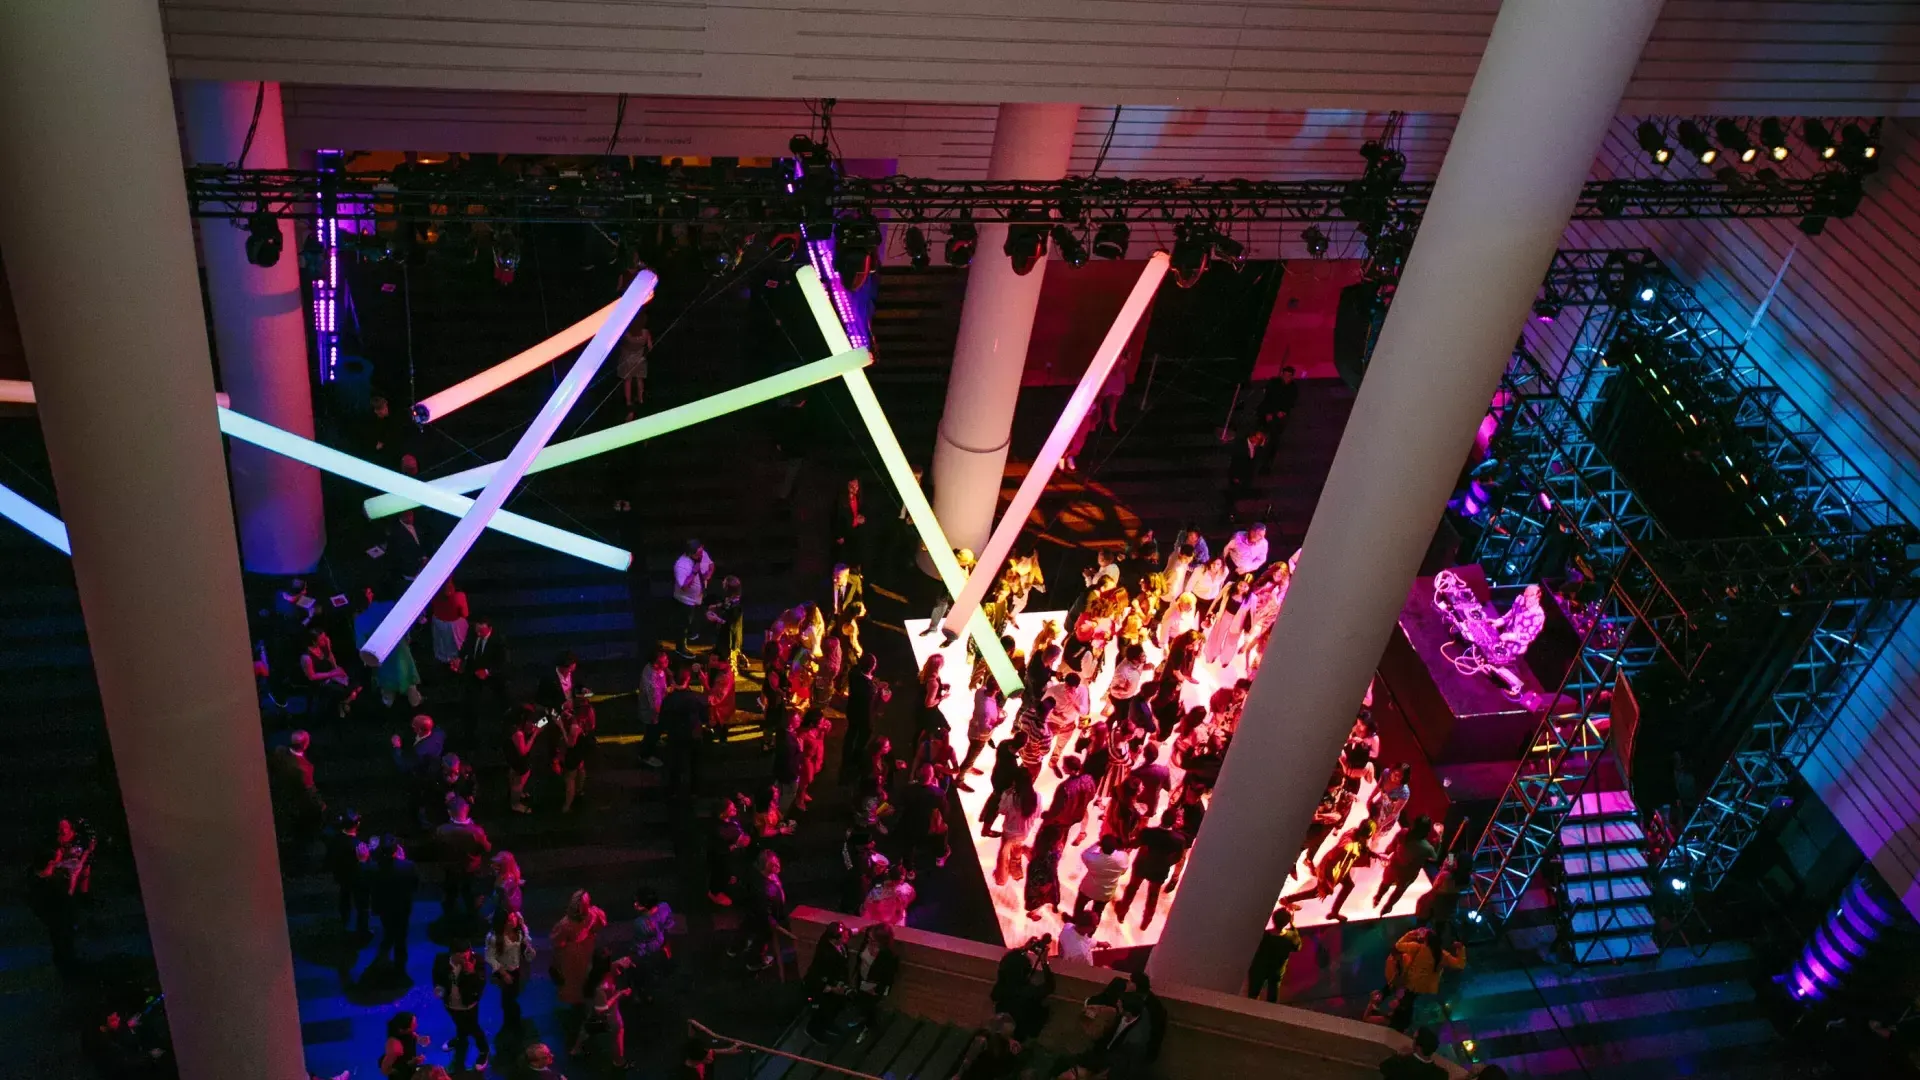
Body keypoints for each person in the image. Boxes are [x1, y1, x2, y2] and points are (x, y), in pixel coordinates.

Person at [1280, 819, 1375, 921]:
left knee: (1349, 885)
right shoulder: (1347, 846)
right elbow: (1330, 861)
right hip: (1333, 871)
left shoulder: (1355, 833)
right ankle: (1286, 899)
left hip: (1342, 868)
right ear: (1369, 834)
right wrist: (1327, 882)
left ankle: (1334, 912)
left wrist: (1370, 853)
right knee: (1316, 892)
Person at [1377, 927, 1466, 1033]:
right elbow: (1460, 965)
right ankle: (1400, 1023)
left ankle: (1397, 1023)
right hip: (1425, 987)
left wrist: (1411, 934)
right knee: (1407, 1002)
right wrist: (1461, 949)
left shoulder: (1417, 947)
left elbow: (1398, 945)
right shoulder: (1442, 955)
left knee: (1405, 1002)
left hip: (1410, 982)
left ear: (1426, 940)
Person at [1115, 809, 1188, 929]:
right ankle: (1145, 923)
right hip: (1160, 870)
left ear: (1161, 818)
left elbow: (1135, 844)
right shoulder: (1179, 840)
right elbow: (1177, 858)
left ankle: (1122, 912)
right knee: (1153, 896)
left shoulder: (1147, 832)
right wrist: (1166, 863)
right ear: (1174, 822)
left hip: (1142, 864)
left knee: (1132, 888)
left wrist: (1124, 841)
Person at [432, 939, 490, 1071]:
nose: (466, 957)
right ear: (453, 954)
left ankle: (483, 1050)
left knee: (474, 1027)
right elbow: (436, 976)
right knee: (459, 1024)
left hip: (469, 1003)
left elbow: (480, 985)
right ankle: (460, 1040)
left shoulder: (477, 961)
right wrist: (438, 988)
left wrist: (471, 973)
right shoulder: (441, 960)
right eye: (462, 955)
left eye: (467, 953)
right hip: (451, 1003)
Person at [433, 796, 491, 927]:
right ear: (467, 809)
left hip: (450, 869)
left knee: (450, 891)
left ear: (449, 812)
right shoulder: (476, 831)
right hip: (470, 868)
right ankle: (471, 915)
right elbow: (487, 848)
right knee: (469, 892)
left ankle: (450, 915)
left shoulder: (441, 830)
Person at [368, 837, 419, 976]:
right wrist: (402, 862)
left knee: (388, 928)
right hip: (403, 906)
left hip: (384, 906)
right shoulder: (408, 866)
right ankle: (400, 966)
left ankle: (387, 946)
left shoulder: (373, 867)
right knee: (402, 934)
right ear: (397, 850)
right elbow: (415, 886)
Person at [549, 890, 608, 1007]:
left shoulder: (591, 915)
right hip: (573, 957)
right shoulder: (566, 924)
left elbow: (557, 942)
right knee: (577, 979)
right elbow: (558, 942)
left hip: (583, 952)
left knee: (584, 977)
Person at [572, 955, 634, 1066]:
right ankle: (619, 1061)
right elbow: (602, 1008)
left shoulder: (595, 971)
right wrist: (619, 994)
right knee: (618, 1030)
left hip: (592, 1005)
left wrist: (619, 962)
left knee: (588, 1026)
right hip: (607, 1011)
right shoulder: (600, 986)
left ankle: (575, 1049)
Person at [1375, 814, 1438, 914]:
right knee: (1399, 891)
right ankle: (1387, 907)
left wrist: (1386, 853)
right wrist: (1439, 841)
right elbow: (1435, 858)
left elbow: (1392, 845)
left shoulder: (1403, 833)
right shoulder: (1427, 848)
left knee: (1385, 882)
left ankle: (1377, 898)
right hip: (1408, 875)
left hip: (1394, 866)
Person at [322, 810, 372, 936]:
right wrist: (365, 857)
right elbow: (364, 864)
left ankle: (345, 920)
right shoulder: (358, 845)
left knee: (344, 897)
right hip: (356, 879)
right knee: (362, 905)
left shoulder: (333, 838)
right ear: (357, 824)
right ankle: (363, 930)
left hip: (340, 876)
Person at [804, 921, 855, 1040]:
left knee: (835, 1007)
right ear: (835, 939)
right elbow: (817, 976)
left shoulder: (836, 943)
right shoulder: (826, 955)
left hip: (837, 982)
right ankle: (814, 1031)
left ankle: (828, 1024)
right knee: (823, 1010)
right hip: (823, 987)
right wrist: (832, 989)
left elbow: (850, 932)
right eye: (844, 936)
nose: (847, 936)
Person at [993, 768, 1042, 887]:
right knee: (1016, 850)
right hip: (1024, 833)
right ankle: (1016, 871)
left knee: (1003, 855)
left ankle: (1002, 878)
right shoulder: (1037, 797)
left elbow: (1002, 811)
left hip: (1009, 833)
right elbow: (1037, 815)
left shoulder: (1009, 796)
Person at [848, 922, 899, 1033]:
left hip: (873, 985)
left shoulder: (888, 956)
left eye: (873, 940)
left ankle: (869, 1024)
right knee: (861, 999)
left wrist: (882, 991)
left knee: (869, 1004)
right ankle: (862, 1018)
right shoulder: (867, 941)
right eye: (869, 938)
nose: (869, 941)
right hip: (862, 977)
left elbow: (889, 976)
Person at [1075, 837, 1132, 930]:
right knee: (1098, 912)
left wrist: (1096, 844)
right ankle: (1091, 931)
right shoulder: (1123, 858)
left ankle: (1076, 923)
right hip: (1106, 892)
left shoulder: (1092, 858)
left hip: (1088, 888)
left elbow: (1084, 854)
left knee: (1079, 906)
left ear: (1101, 846)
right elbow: (1123, 872)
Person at [1247, 908, 1303, 1002]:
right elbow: (1297, 947)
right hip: (1276, 971)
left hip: (1259, 968)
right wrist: (1293, 926)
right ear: (1288, 921)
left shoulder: (1264, 936)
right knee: (1273, 995)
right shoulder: (1291, 937)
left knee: (1253, 993)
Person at [299, 630, 356, 719]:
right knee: (346, 690)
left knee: (355, 681)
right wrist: (331, 674)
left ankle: (344, 702)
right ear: (314, 642)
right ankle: (343, 703)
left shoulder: (322, 647)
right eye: (322, 639)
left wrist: (337, 669)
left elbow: (331, 661)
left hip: (331, 675)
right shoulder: (306, 657)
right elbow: (312, 676)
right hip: (320, 682)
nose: (325, 640)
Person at [673, 539, 716, 654]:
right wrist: (694, 572)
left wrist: (708, 575)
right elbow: (684, 587)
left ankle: (693, 633)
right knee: (684, 624)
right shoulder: (681, 565)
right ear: (690, 553)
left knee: (697, 618)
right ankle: (681, 647)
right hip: (686, 601)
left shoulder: (702, 554)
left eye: (701, 552)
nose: (701, 555)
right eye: (698, 554)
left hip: (699, 597)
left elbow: (711, 565)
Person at [958, 683, 1002, 789]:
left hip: (973, 729)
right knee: (970, 757)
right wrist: (997, 722)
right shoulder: (987, 710)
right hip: (979, 737)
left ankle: (968, 768)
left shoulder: (980, 692)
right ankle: (959, 779)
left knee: (972, 755)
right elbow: (984, 729)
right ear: (997, 690)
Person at [1224, 429, 1267, 521]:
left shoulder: (1256, 447)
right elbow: (1235, 461)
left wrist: (1262, 445)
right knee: (1233, 496)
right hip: (1237, 475)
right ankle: (1229, 515)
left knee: (1242, 496)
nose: (1258, 441)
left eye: (1260, 440)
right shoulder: (1240, 445)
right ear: (1252, 436)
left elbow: (1258, 459)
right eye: (1258, 438)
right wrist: (1235, 476)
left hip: (1247, 476)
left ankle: (1238, 515)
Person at [1378, 1027, 1450, 1080]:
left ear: (1418, 1046)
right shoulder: (1442, 1075)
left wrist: (1399, 1055)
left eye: (1414, 1038)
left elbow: (1383, 1067)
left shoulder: (1400, 1063)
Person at [617, 314, 652, 419]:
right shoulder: (646, 333)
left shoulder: (627, 333)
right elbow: (650, 347)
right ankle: (640, 399)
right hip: (639, 359)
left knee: (628, 380)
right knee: (639, 379)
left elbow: (621, 344)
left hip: (627, 360)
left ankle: (628, 402)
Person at [429, 578, 470, 666]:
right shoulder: (460, 596)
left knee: (441, 642)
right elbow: (465, 614)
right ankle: (455, 660)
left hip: (439, 622)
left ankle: (445, 658)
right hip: (453, 624)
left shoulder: (434, 592)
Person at [861, 862, 917, 927]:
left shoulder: (879, 887)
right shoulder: (905, 889)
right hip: (886, 925)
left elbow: (866, 905)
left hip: (879, 923)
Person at [832, 477, 869, 570]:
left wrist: (861, 518)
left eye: (856, 486)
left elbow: (859, 512)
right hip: (844, 533)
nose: (855, 488)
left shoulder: (858, 498)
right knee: (842, 562)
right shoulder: (841, 500)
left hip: (855, 533)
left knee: (855, 559)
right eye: (852, 486)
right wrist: (839, 535)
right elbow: (838, 517)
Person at [378, 1011, 427, 1078]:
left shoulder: (408, 1033)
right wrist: (409, 1064)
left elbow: (414, 1036)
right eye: (413, 1025)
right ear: (402, 1030)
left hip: (410, 1069)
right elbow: (385, 1070)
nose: (416, 1026)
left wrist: (420, 1039)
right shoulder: (395, 1047)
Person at [490, 850, 525, 917]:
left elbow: (501, 891)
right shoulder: (500, 875)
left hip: (508, 909)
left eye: (499, 864)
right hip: (501, 907)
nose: (497, 867)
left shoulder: (509, 878)